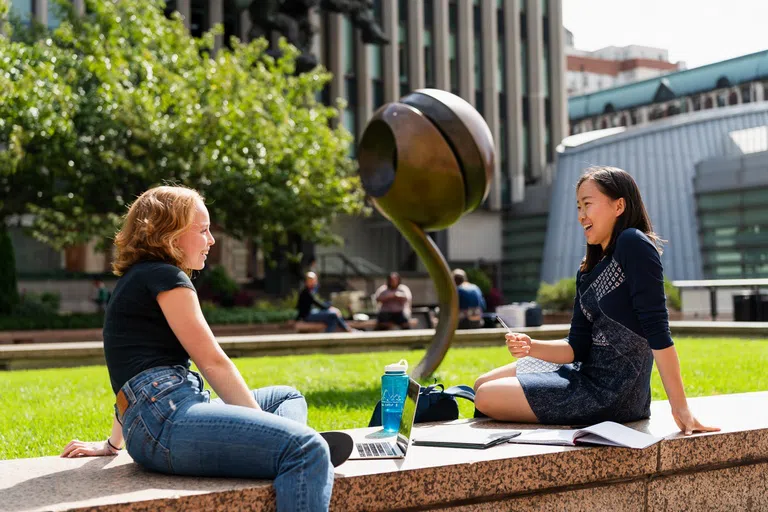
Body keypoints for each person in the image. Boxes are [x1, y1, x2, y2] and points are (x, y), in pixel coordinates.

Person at [60, 186, 351, 512]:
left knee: (288, 397)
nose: (211, 239)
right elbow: (212, 362)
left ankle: (279, 447)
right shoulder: (167, 277)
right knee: (307, 449)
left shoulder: (136, 280)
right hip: (166, 420)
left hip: (152, 418)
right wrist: (260, 429)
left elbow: (131, 372)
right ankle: (294, 450)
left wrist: (113, 444)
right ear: (168, 235)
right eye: (202, 230)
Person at [473, 167, 720, 436]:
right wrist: (531, 346)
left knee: (486, 395)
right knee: (481, 383)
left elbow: (658, 331)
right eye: (578, 206)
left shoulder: (633, 243)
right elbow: (575, 347)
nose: (581, 216)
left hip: (613, 393)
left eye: (587, 204)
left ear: (619, 206)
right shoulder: (587, 270)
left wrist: (680, 407)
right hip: (579, 372)